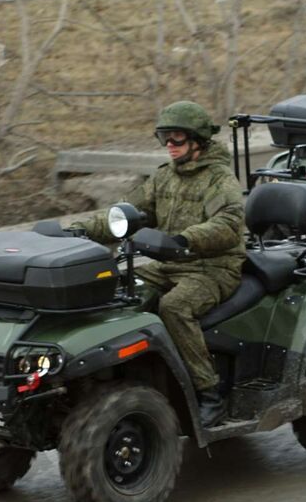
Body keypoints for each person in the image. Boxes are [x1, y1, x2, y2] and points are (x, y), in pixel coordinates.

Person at [76, 101, 245, 428]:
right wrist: (79, 230)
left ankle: (209, 393)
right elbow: (123, 214)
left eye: (177, 139)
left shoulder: (219, 179)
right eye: (164, 138)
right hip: (167, 264)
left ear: (197, 141)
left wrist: (185, 240)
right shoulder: (164, 178)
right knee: (120, 293)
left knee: (175, 307)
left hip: (213, 268)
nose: (169, 145)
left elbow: (228, 224)